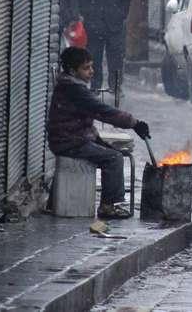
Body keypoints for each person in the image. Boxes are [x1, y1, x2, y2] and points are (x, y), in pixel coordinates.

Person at [48, 46, 150, 219]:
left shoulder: (70, 86)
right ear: (73, 71)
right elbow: (103, 111)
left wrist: (99, 140)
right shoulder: (74, 90)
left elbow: (86, 122)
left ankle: (54, 201)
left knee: (114, 152)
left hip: (72, 138)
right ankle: (108, 206)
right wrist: (134, 123)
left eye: (91, 67)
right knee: (114, 158)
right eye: (86, 68)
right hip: (69, 142)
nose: (91, 72)